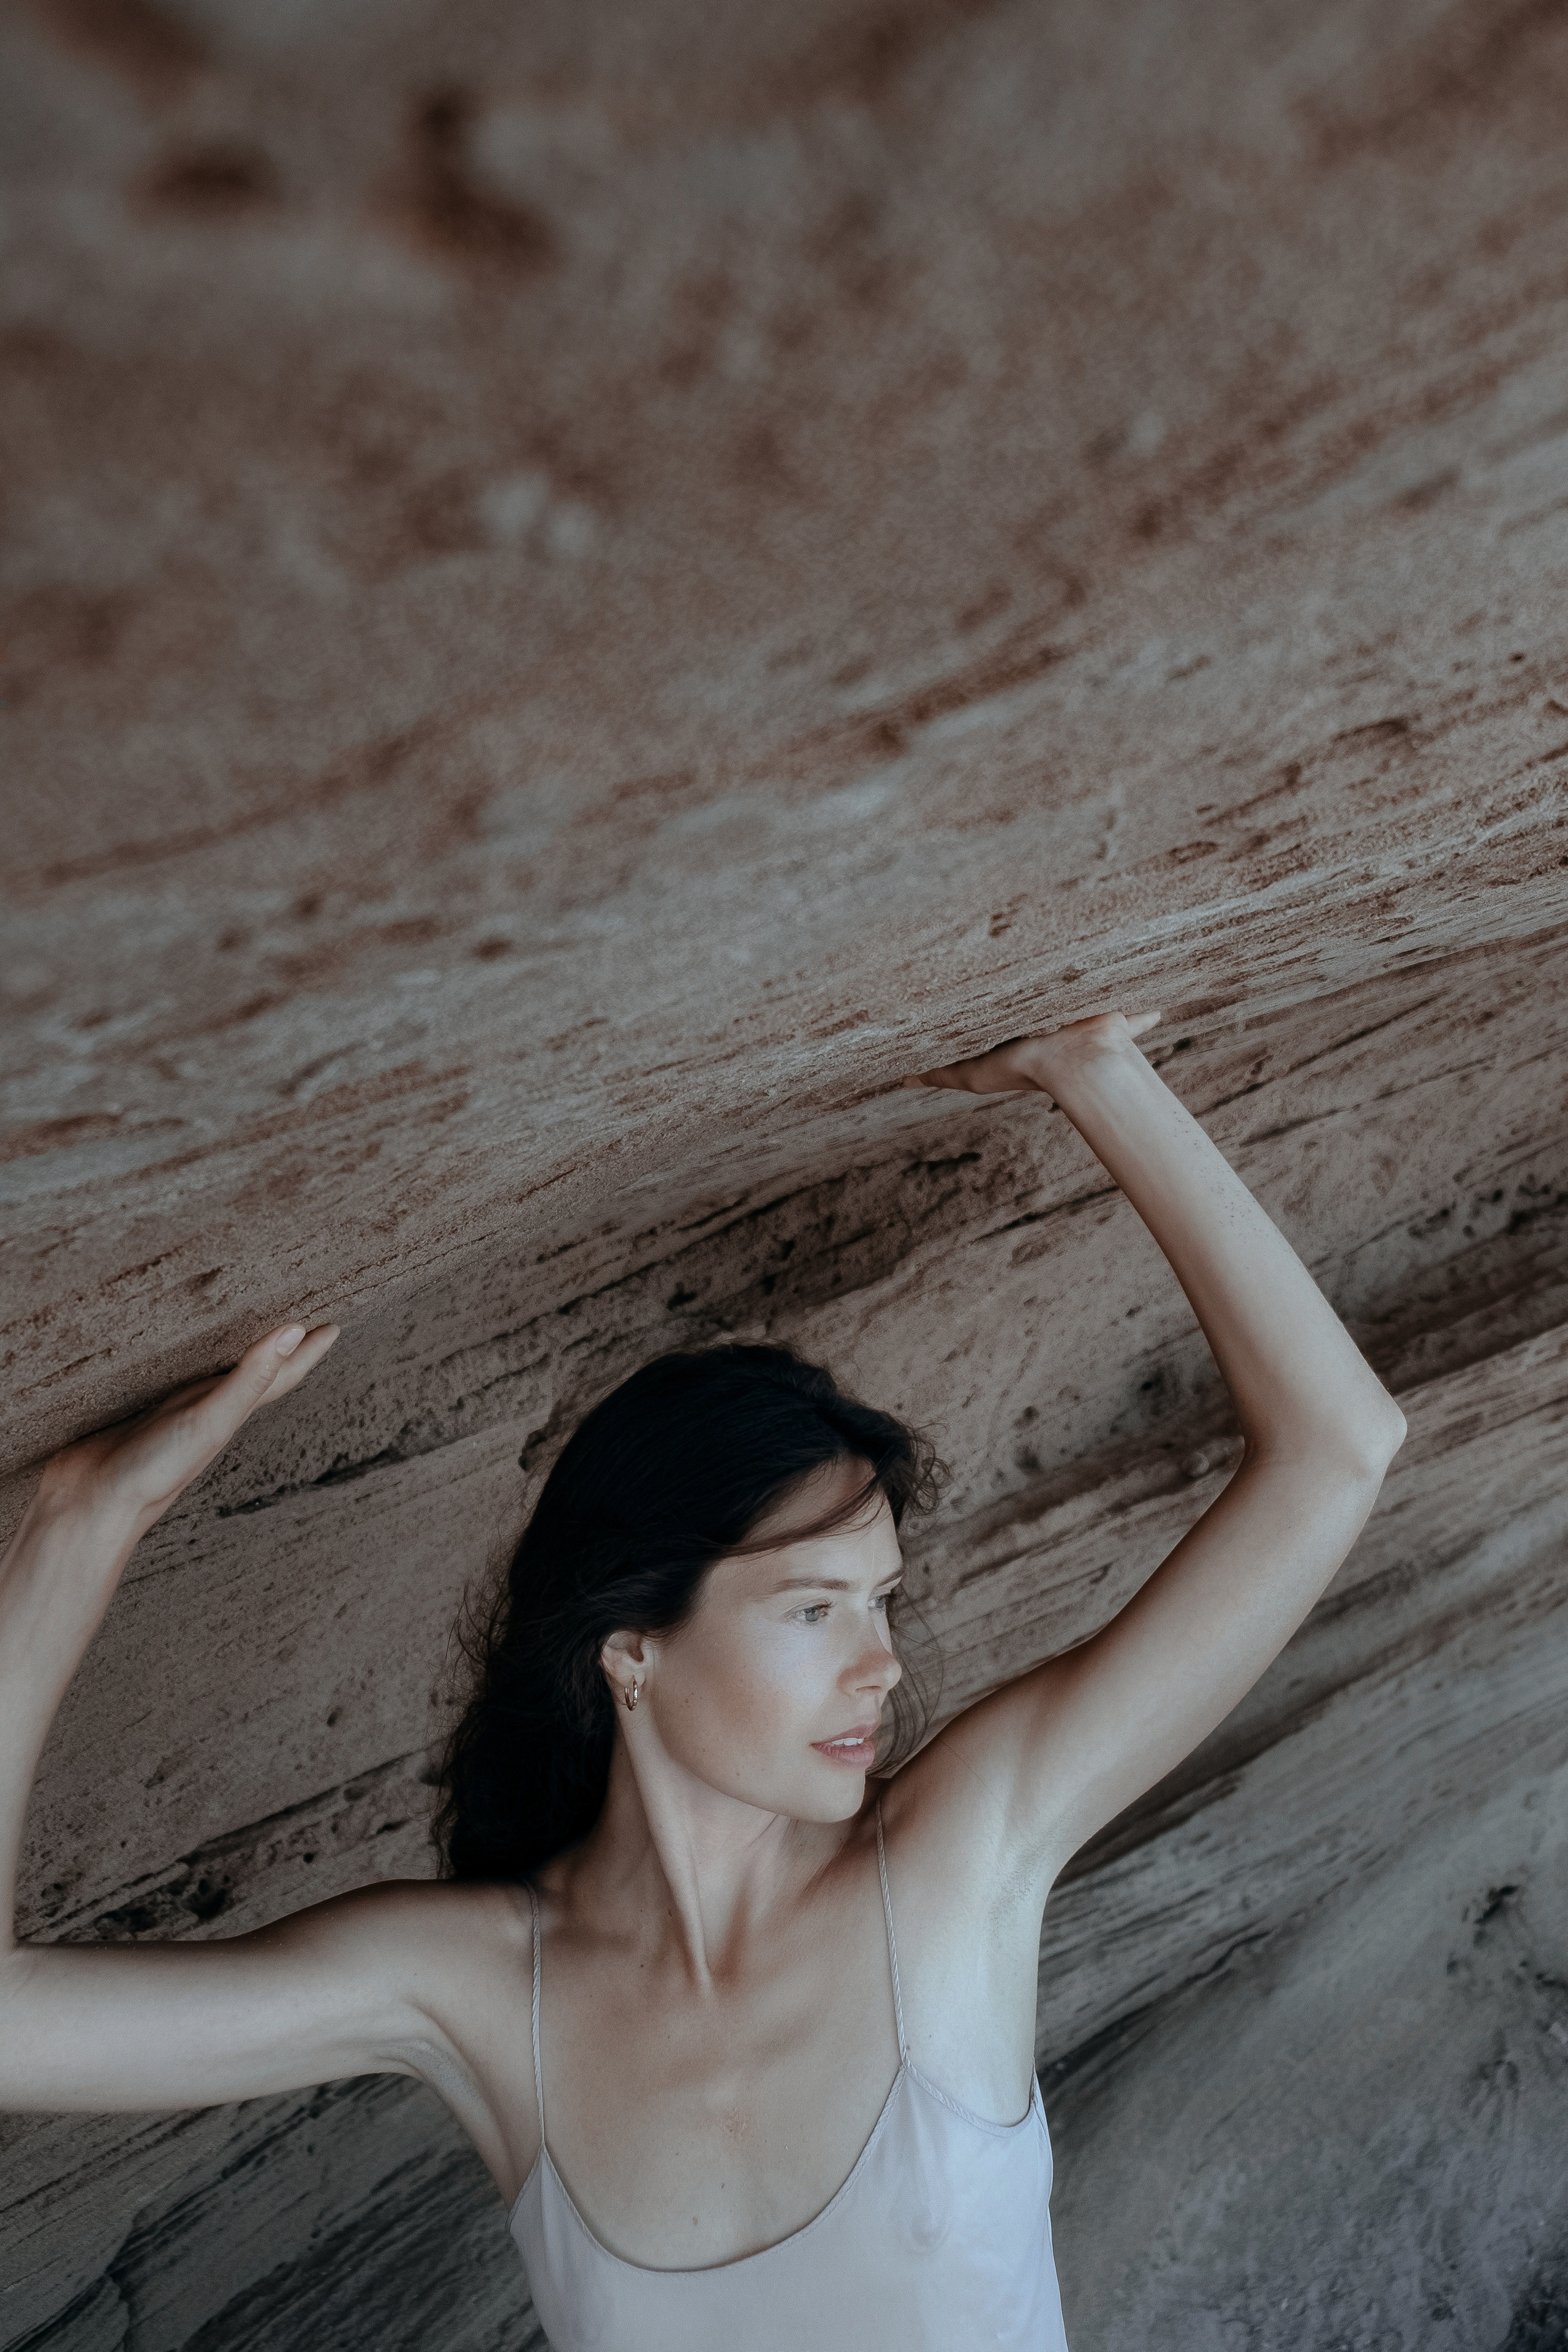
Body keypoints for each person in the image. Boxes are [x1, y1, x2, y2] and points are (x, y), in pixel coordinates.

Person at [0, 1012, 1406, 2349]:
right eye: (813, 1607)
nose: (883, 1660)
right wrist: (79, 1534)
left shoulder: (953, 1861)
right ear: (631, 1647)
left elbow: (1335, 1448)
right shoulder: (481, 1989)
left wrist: (1095, 1075)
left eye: (881, 1601)